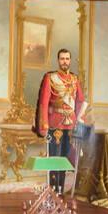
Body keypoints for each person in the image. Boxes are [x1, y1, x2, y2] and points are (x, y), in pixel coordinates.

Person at [33, 48, 88, 192]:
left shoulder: (74, 80)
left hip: (70, 126)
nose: (65, 61)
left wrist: (80, 120)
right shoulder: (50, 78)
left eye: (67, 58)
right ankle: (52, 190)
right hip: (55, 124)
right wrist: (44, 126)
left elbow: (80, 102)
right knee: (54, 158)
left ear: (70, 61)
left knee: (64, 159)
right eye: (62, 58)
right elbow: (44, 103)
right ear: (58, 60)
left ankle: (60, 190)